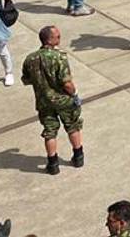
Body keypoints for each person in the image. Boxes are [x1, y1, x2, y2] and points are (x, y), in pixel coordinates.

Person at [21, 26, 84, 175]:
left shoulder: (30, 59)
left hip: (44, 102)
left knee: (50, 132)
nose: (59, 39)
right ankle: (78, 156)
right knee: (73, 127)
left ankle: (53, 164)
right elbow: (66, 83)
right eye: (58, 37)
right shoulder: (59, 57)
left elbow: (26, 79)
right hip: (64, 101)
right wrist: (75, 94)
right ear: (50, 40)